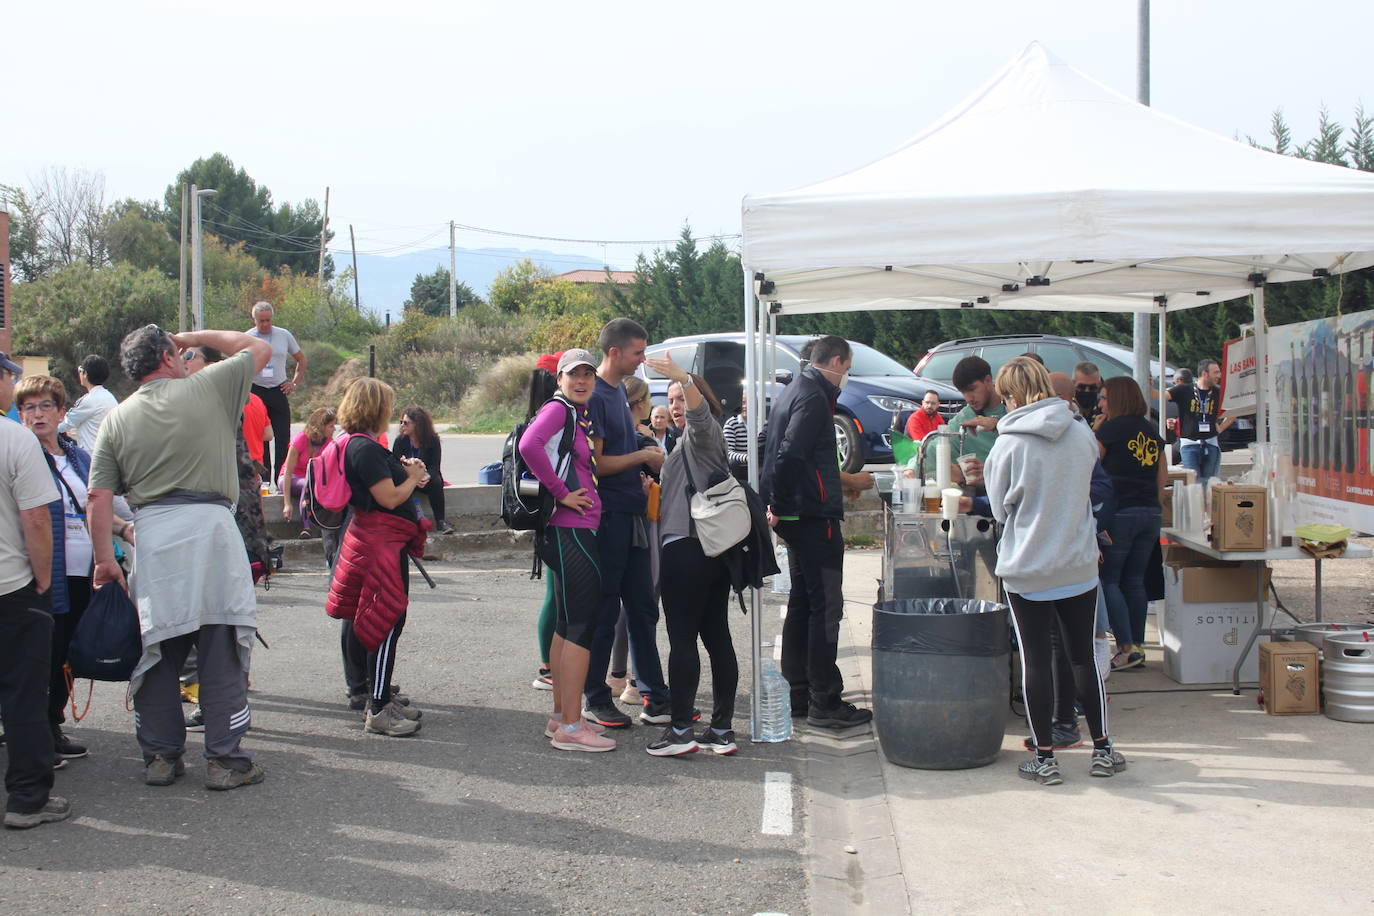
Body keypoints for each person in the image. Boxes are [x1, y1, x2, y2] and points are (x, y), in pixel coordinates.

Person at [88, 325, 271, 791]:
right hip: (210, 531)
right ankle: (225, 760)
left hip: (152, 536)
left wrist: (105, 559)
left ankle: (161, 756)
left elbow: (98, 497)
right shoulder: (208, 385)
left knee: (158, 651)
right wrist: (192, 334)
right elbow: (260, 347)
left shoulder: (116, 418)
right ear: (170, 357)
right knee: (220, 647)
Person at [983, 357, 1125, 785]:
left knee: (1036, 661)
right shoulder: (1080, 432)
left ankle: (1045, 757)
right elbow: (1088, 487)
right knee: (1082, 655)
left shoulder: (1007, 445)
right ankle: (1102, 748)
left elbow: (999, 508)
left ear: (1009, 396)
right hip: (1078, 561)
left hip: (1028, 565)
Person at [16, 375, 135, 766]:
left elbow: (96, 508)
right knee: (43, 656)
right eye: (29, 407)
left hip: (88, 570)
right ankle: (39, 736)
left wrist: (123, 529)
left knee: (71, 652)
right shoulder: (22, 455)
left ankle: (52, 723)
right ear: (20, 414)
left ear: (62, 412)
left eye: (45, 405)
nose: (37, 414)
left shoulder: (81, 456)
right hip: (46, 572)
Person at [761, 334, 875, 730]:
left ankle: (801, 691)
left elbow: (774, 445)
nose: (845, 375)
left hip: (799, 512)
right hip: (811, 515)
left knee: (804, 603)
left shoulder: (797, 389)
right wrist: (782, 501)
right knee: (825, 606)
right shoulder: (811, 395)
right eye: (846, 367)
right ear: (837, 360)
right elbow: (789, 451)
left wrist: (777, 501)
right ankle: (824, 699)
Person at [517, 349, 614, 752]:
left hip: (569, 529)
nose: (583, 380)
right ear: (559, 379)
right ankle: (573, 727)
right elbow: (529, 445)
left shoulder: (575, 413)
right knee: (580, 627)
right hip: (570, 528)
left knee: (564, 623)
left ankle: (561, 717)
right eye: (575, 374)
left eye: (588, 374)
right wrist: (561, 495)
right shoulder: (560, 410)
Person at [581, 318, 672, 730]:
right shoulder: (597, 395)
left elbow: (620, 446)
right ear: (614, 353)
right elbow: (597, 462)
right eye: (638, 352)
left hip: (632, 511)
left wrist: (642, 447)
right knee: (605, 610)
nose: (643, 360)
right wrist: (643, 458)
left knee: (642, 607)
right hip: (609, 516)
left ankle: (655, 695)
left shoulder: (618, 391)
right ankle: (595, 698)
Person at [324, 378, 428, 737]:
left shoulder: (359, 445)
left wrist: (405, 472)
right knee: (385, 621)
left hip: (373, 542)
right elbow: (388, 498)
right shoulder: (364, 449)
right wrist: (412, 477)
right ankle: (379, 705)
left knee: (373, 619)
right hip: (379, 545)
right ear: (375, 408)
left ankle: (374, 694)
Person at [647, 357, 740, 756]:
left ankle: (681, 730)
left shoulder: (704, 434)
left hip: (688, 546)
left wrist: (684, 378)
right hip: (712, 548)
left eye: (683, 396)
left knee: (683, 638)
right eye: (671, 398)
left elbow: (700, 419)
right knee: (716, 635)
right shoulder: (684, 443)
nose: (677, 404)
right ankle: (720, 729)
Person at [0, 360, 68, 829]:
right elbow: (37, 519)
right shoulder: (14, 439)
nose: (10, 383)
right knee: (24, 695)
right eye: (7, 376)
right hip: (12, 586)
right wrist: (42, 578)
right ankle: (27, 800)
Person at [1097, 376, 1167, 672]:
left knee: (1109, 579)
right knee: (1135, 580)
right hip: (1150, 512)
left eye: (1103, 397)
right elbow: (1162, 477)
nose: (1099, 402)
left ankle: (1125, 647)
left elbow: (1091, 467)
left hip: (1120, 511)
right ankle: (1137, 645)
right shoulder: (1151, 431)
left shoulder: (1110, 430)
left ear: (1115, 399)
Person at [245, 302, 306, 482]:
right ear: (254, 319)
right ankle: (263, 480)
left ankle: (281, 478)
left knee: (282, 437)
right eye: (261, 321)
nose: (265, 324)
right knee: (260, 437)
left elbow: (301, 359)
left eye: (268, 320)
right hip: (256, 391)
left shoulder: (283, 335)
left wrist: (294, 383)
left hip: (278, 389)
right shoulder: (247, 337)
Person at [1167, 359, 1235, 486]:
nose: (1219, 376)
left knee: (1209, 484)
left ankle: (1206, 506)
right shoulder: (1184, 390)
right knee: (1194, 484)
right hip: (1189, 444)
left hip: (1211, 444)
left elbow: (1233, 413)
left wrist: (1219, 428)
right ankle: (1197, 505)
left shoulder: (1218, 392)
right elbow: (1162, 395)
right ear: (1205, 373)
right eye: (1216, 372)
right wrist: (1146, 384)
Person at [393, 406, 453, 534]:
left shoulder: (432, 441)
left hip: (425, 478)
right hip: (407, 478)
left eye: (406, 423)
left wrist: (426, 477)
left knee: (436, 482)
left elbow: (434, 466)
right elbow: (395, 465)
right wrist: (407, 469)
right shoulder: (400, 441)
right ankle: (405, 522)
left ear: (417, 425)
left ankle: (441, 522)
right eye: (401, 422)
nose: (402, 425)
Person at [948, 356, 1007, 486]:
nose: (969, 398)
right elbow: (935, 444)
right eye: (963, 392)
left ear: (988, 380)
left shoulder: (1012, 406)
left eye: (972, 389)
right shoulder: (965, 417)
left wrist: (997, 424)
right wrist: (911, 468)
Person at [281, 407, 337, 536]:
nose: (334, 429)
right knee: (308, 483)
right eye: (331, 426)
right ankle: (306, 527)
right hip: (290, 478)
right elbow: (288, 472)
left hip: (311, 481)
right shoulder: (301, 439)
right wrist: (287, 504)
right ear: (321, 426)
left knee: (310, 483)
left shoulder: (330, 443)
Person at [58, 355, 118, 453]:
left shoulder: (88, 400)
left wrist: (45, 433)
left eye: (80, 371)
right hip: (107, 454)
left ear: (85, 374)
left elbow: (66, 424)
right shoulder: (110, 397)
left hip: (90, 456)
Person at [240, 388, 272, 470]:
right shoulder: (257, 400)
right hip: (256, 464)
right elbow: (269, 435)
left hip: (236, 463)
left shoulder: (228, 401)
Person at [1072, 361, 1104, 428]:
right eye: (1082, 387)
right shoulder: (1067, 409)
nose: (1087, 391)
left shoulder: (1105, 409)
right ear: (1073, 383)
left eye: (1092, 387)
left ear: (1099, 384)